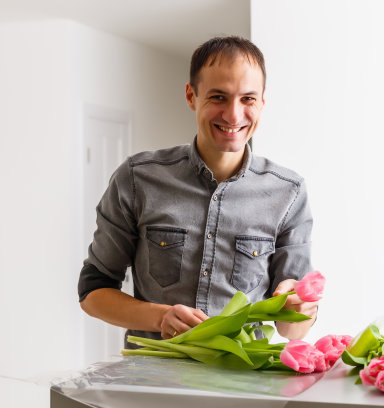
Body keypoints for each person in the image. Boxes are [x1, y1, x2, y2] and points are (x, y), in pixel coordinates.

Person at [78, 36, 317, 346]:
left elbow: (293, 330)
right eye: (218, 97)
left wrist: (297, 308)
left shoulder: (289, 192)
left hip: (242, 384)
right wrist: (160, 317)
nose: (233, 115)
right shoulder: (137, 178)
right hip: (152, 383)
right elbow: (92, 291)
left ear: (262, 102)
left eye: (247, 99)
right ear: (191, 95)